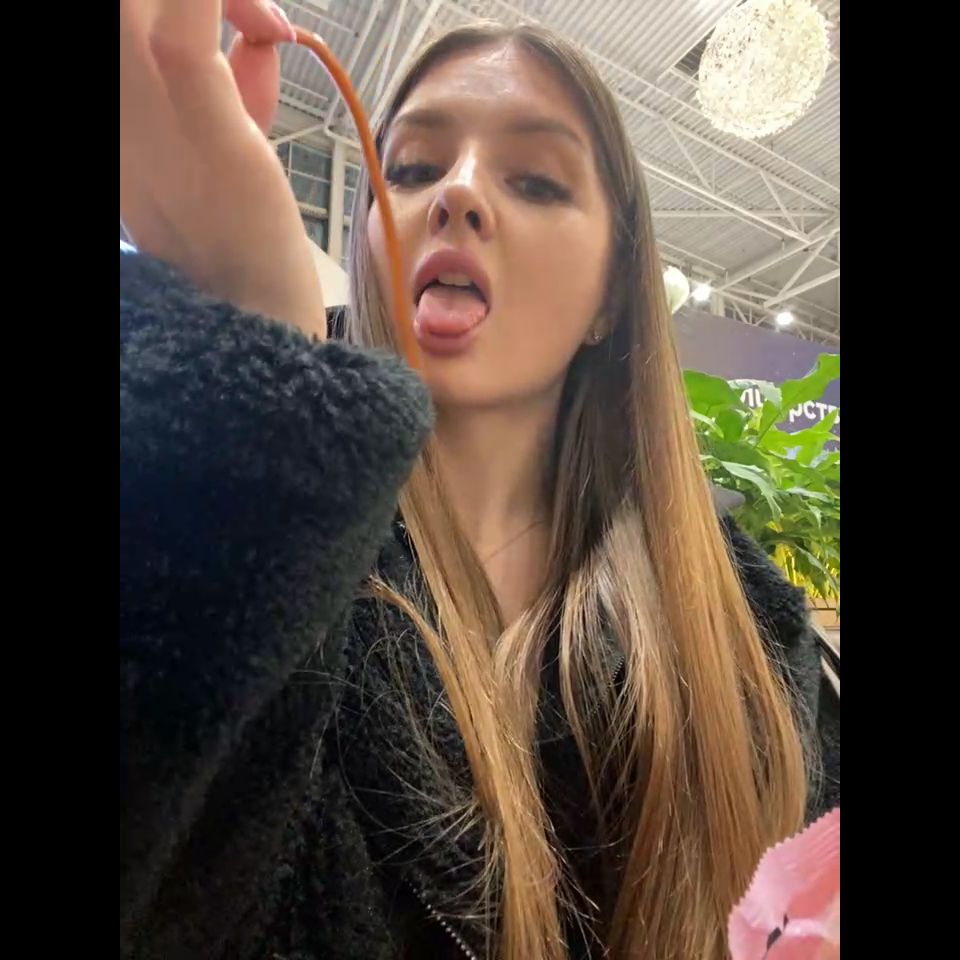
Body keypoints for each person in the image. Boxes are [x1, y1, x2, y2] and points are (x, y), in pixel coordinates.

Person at [120, 6, 839, 959]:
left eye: (536, 180)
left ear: (612, 294)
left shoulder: (754, 644)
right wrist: (255, 410)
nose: (457, 192)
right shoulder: (258, 548)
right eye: (413, 168)